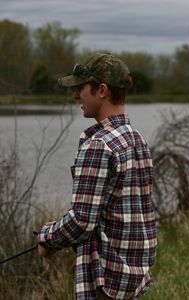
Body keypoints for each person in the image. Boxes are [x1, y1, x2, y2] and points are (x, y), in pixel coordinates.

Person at [37, 53, 157, 300]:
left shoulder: (99, 145)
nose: (75, 95)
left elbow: (82, 221)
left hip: (106, 281)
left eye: (81, 88)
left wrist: (47, 238)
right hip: (132, 279)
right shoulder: (137, 140)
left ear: (102, 90)